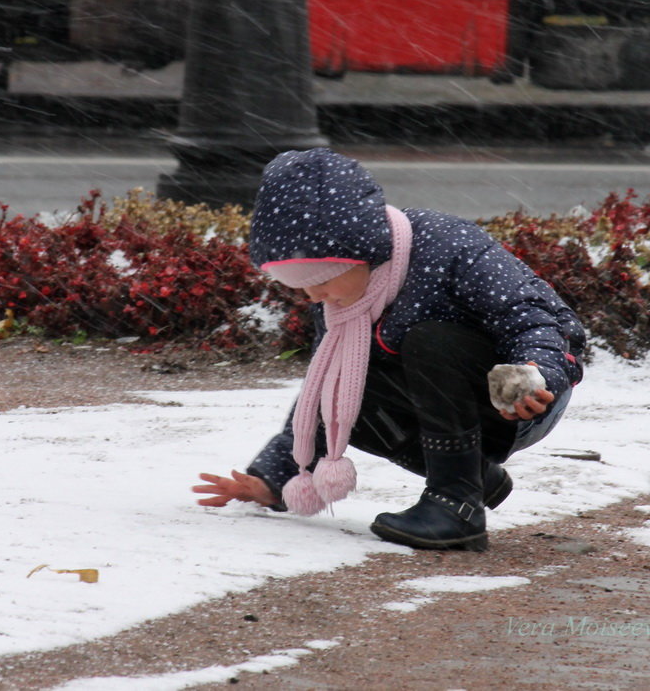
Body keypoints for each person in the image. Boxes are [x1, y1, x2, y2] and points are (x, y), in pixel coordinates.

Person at [193, 148, 585, 551]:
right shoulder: (339, 304)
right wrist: (275, 479)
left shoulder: (448, 247)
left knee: (431, 339)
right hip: (447, 396)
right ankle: (473, 476)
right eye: (299, 283)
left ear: (361, 253)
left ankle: (456, 506)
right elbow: (322, 389)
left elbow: (535, 320)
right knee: (347, 385)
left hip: (522, 393)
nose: (314, 293)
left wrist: (536, 375)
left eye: (322, 278)